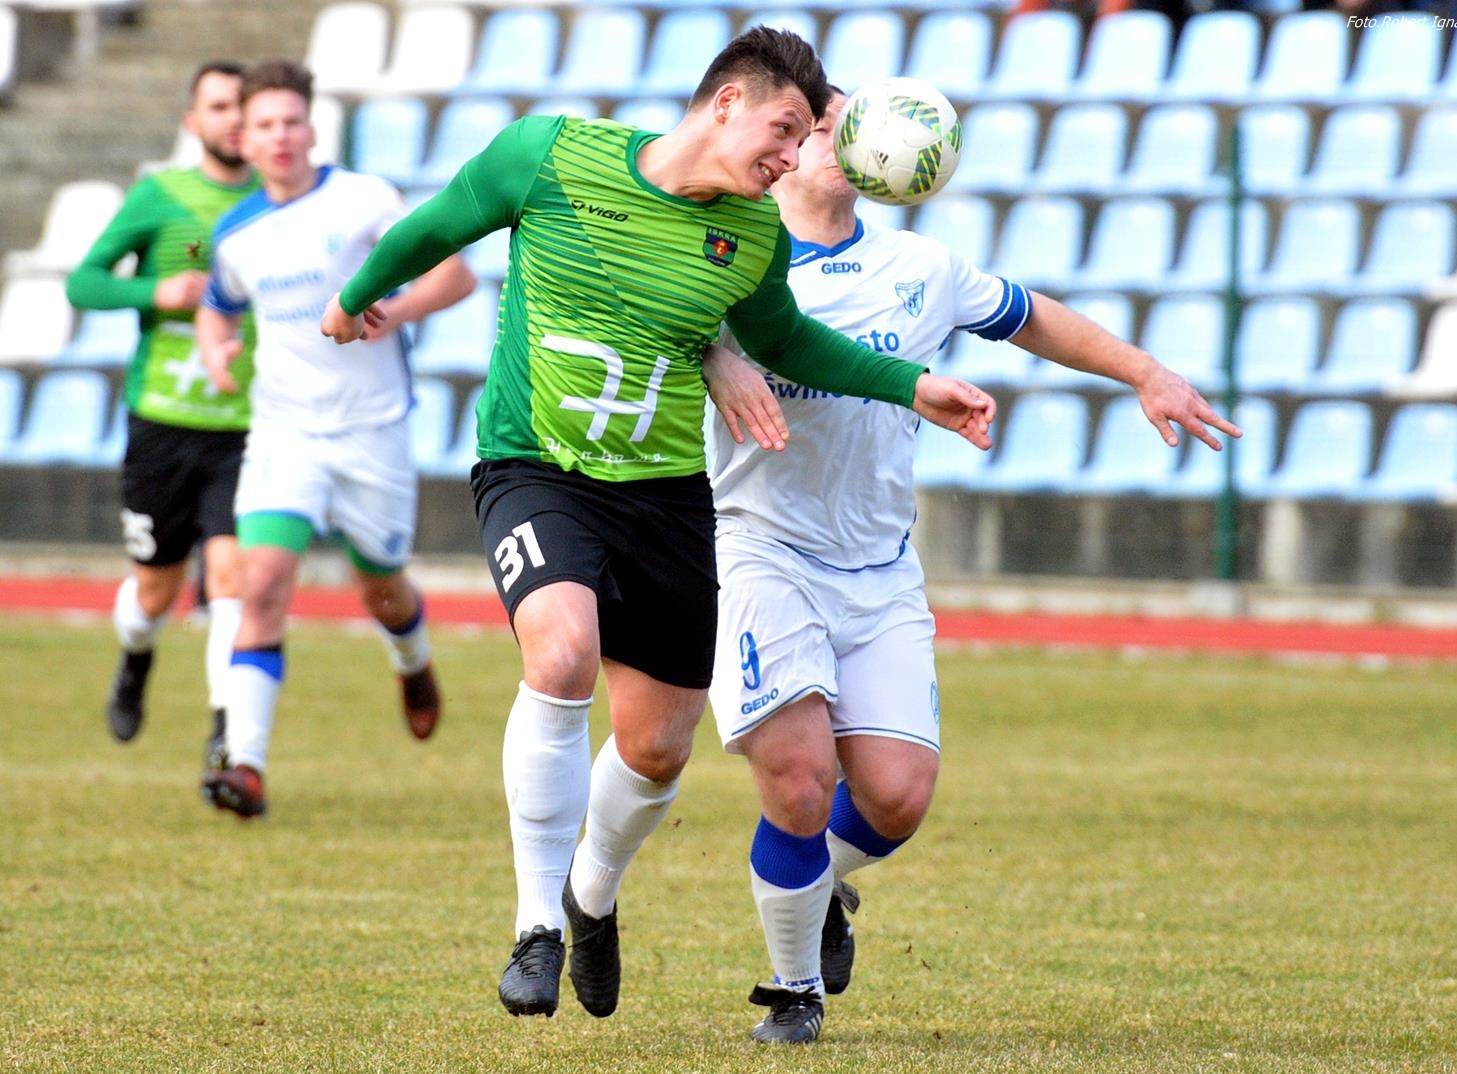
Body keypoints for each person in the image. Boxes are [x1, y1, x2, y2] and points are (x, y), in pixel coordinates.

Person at [321, 27, 997, 1021]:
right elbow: (439, 225)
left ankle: (589, 897)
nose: (790, 157)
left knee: (655, 752)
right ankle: (535, 928)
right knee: (560, 655)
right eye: (784, 131)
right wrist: (353, 298)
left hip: (668, 497)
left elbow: (786, 340)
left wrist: (911, 384)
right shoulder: (550, 154)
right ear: (726, 102)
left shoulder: (753, 236)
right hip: (535, 467)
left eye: (802, 138)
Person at [700, 88, 1242, 1044]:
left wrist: (1145, 372)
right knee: (799, 779)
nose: (835, 138)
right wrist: (714, 355)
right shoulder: (733, 256)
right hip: (760, 547)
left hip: (878, 567)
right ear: (781, 149)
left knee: (897, 797)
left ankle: (818, 887)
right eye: (817, 125)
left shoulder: (921, 267)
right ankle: (793, 991)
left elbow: (1031, 317)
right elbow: (652, 323)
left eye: (843, 122)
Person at [194, 59, 477, 819]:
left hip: (372, 431)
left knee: (382, 588)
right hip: (284, 433)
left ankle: (411, 660)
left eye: (292, 120)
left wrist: (397, 310)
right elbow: (217, 306)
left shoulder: (363, 199)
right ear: (243, 139)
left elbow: (455, 274)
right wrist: (216, 350)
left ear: (312, 127)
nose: (280, 135)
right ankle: (245, 764)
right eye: (264, 124)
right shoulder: (237, 232)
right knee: (260, 584)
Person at [66, 61, 258, 776]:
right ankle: (135, 655)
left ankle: (228, 734)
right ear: (192, 120)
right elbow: (84, 283)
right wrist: (156, 290)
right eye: (219, 106)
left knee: (231, 575)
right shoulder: (160, 195)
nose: (233, 119)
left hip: (248, 424)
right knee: (155, 590)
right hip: (163, 425)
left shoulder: (279, 202)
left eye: (242, 106)